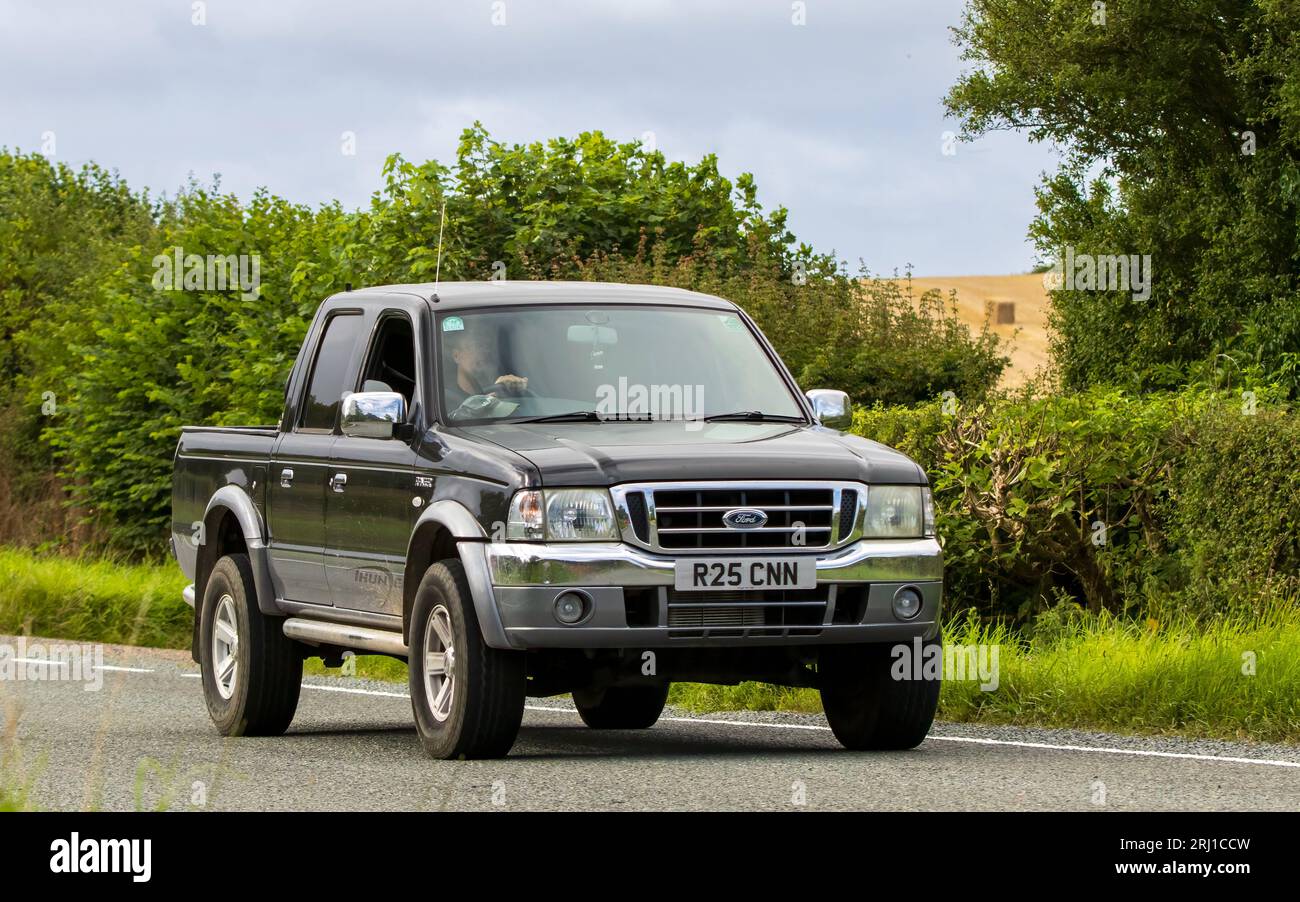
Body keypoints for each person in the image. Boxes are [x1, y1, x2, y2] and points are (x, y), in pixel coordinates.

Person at [444, 327, 528, 409]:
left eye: (487, 346)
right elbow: (458, 417)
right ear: (456, 356)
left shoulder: (502, 392)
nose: (484, 351)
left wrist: (514, 388)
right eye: (475, 346)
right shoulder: (446, 402)